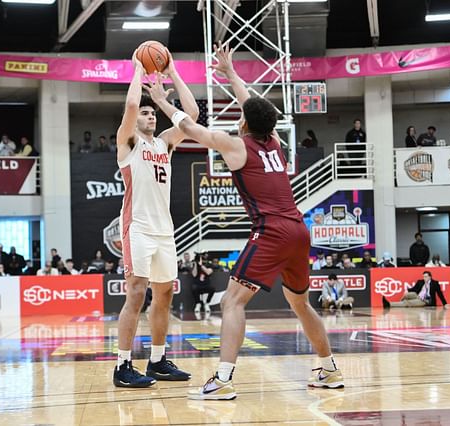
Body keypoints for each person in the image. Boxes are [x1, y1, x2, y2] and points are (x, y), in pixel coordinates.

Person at [144, 43, 343, 399]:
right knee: (300, 302)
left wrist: (161, 100)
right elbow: (252, 104)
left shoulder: (236, 145)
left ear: (245, 121)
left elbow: (191, 128)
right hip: (299, 230)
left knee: (231, 302)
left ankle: (222, 380)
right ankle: (328, 369)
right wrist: (231, 73)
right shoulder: (276, 142)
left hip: (272, 231)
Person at [112, 47, 198, 389]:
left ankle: (158, 360)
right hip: (139, 228)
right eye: (145, 113)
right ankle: (122, 366)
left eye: (153, 113)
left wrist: (173, 71)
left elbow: (191, 114)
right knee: (136, 293)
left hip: (165, 230)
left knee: (165, 296)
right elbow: (131, 106)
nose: (149, 116)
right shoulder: (128, 142)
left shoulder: (164, 143)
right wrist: (137, 69)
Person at [383, 271, 448, 308]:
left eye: (426, 276)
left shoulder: (435, 283)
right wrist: (407, 290)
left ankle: (389, 304)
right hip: (418, 296)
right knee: (407, 295)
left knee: (408, 302)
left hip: (425, 300)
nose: (424, 278)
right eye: (424, 276)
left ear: (430, 277)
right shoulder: (420, 282)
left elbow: (440, 293)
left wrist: (445, 304)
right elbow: (414, 289)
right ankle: (400, 303)